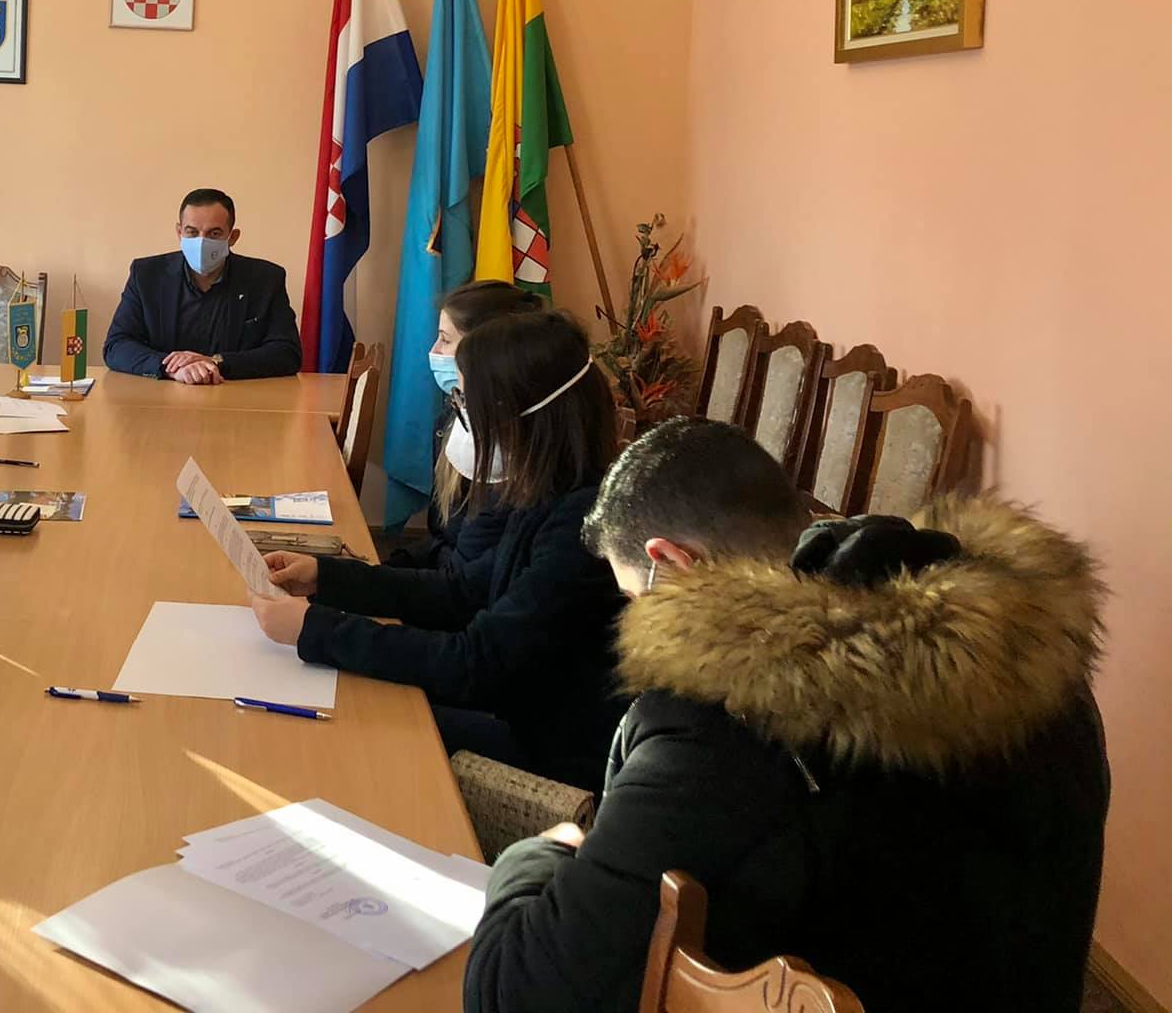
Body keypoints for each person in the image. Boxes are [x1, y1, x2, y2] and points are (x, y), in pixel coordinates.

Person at [467, 417, 1109, 1013]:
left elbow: (512, 993)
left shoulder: (725, 728)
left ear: (673, 563)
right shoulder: (1035, 667)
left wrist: (537, 856)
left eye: (635, 598)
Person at [252, 309, 626, 787]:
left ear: (522, 414)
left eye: (466, 401)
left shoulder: (581, 526)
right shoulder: (546, 489)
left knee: (345, 727)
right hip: (514, 705)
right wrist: (326, 577)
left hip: (549, 747)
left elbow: (476, 665)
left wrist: (318, 630)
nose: (460, 416)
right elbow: (462, 592)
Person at [388, 279, 545, 569]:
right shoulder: (451, 420)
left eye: (445, 340)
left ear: (486, 352)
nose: (434, 351)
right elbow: (442, 539)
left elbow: (464, 576)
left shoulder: (512, 451)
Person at [102, 187, 301, 383]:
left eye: (214, 233)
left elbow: (287, 353)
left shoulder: (265, 279)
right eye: (192, 232)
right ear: (179, 232)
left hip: (235, 395)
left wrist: (215, 362)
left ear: (232, 237)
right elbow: (116, 346)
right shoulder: (146, 275)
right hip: (163, 396)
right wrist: (172, 368)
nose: (201, 242)